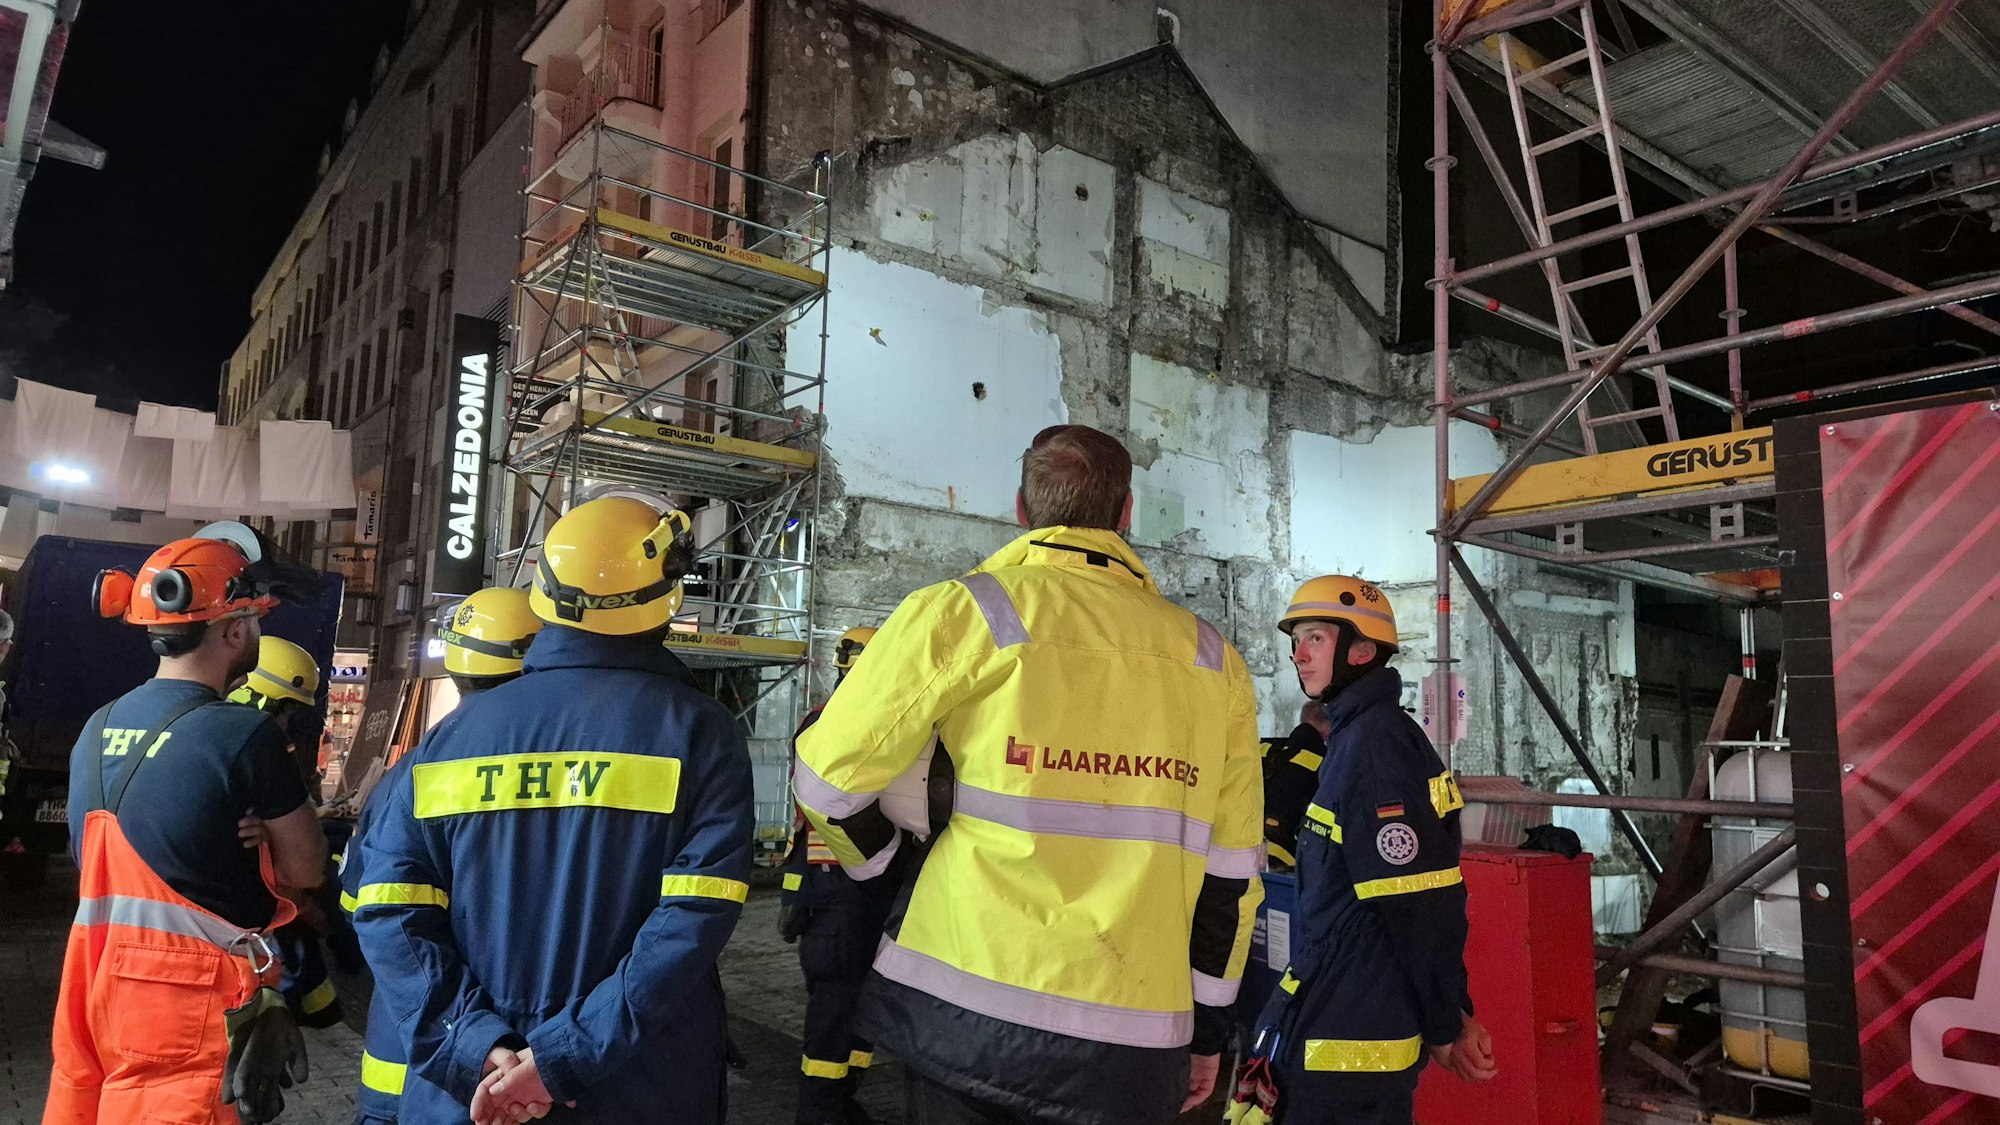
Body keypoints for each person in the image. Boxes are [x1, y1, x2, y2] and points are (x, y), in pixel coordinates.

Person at [794, 424, 1266, 1125]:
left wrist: (889, 865)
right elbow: (1232, 877)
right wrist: (1208, 1027)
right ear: (1126, 513)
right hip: (1133, 1044)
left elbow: (827, 782)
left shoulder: (961, 613)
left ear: (1022, 507)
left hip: (964, 1021)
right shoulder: (1211, 659)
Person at [353, 497, 753, 1125]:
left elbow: (388, 910)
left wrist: (475, 1045)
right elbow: (693, 919)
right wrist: (562, 1056)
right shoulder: (701, 734)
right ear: (664, 599)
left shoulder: (449, 740)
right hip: (637, 1085)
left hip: (471, 1097)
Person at [47, 522, 328, 1125]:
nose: (257, 632)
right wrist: (263, 846)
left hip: (93, 979)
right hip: (184, 995)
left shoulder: (97, 726)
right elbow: (307, 869)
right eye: (254, 620)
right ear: (233, 630)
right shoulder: (240, 733)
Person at [1256, 575, 1496, 1125]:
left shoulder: (1376, 745)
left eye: (1314, 637)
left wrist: (1446, 1022)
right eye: (1296, 639)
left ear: (1361, 650)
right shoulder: (1353, 736)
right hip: (1331, 1014)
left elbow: (1418, 902)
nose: (1298, 654)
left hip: (1351, 1042)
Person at [339, 585, 543, 1125]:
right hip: (528, 1058)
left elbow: (359, 902)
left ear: (455, 671)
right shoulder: (570, 773)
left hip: (414, 1049)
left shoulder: (410, 773)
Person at [783, 625, 897, 1125]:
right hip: (846, 889)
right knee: (836, 1008)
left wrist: (794, 893)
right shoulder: (867, 729)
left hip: (843, 888)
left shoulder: (820, 721)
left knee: (857, 1004)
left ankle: (841, 1103)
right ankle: (822, 1111)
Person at [228, 635, 347, 1030]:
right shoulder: (250, 739)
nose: (285, 722)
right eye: (285, 711)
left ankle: (312, 1001)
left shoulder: (229, 730)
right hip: (255, 889)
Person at [1261, 701, 1331, 869]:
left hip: (1242, 845)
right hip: (1284, 855)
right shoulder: (1325, 761)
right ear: (1328, 725)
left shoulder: (1264, 748)